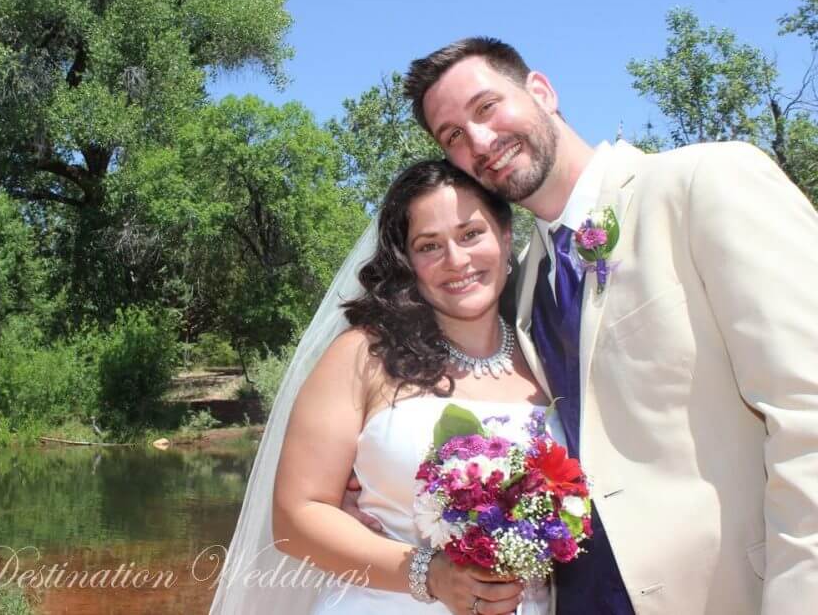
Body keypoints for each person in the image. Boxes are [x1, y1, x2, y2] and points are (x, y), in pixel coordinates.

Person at [387, 37, 818, 614]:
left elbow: (806, 412)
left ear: (541, 90)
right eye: (453, 137)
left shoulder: (705, 184)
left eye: (486, 108)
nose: (480, 142)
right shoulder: (519, 287)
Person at [210, 160, 560, 615]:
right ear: (407, 261)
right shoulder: (362, 356)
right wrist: (430, 575)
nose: (456, 260)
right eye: (429, 245)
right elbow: (296, 516)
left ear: (506, 236)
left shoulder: (549, 358)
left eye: (471, 234)